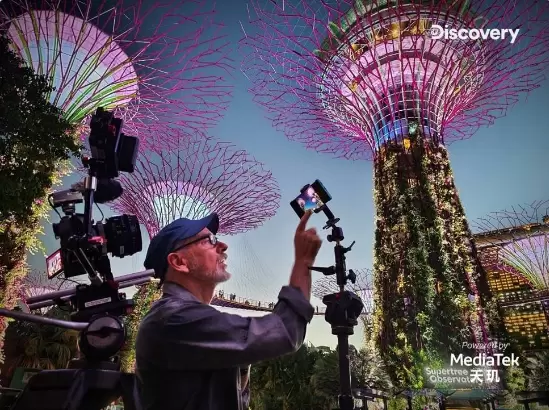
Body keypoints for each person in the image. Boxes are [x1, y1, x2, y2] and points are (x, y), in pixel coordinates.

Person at [135, 210, 322, 410]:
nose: (223, 245)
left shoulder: (186, 321)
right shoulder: (173, 319)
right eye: (210, 240)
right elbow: (287, 331)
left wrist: (241, 360)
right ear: (179, 262)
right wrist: (303, 262)